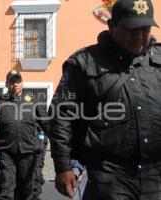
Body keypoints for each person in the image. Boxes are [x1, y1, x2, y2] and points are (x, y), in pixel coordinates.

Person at [49, 0, 161, 199]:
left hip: (155, 175)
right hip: (109, 175)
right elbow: (61, 115)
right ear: (112, 26)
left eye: (145, 29)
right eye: (131, 29)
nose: (139, 36)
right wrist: (63, 166)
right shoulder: (83, 63)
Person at [0, 70, 49, 200]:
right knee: (6, 188)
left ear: (22, 83)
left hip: (28, 150)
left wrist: (55, 140)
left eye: (18, 81)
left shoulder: (32, 100)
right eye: (12, 81)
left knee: (27, 188)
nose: (15, 84)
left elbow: (46, 123)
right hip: (6, 151)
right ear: (6, 84)